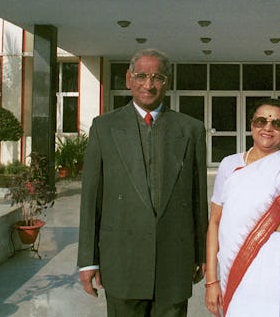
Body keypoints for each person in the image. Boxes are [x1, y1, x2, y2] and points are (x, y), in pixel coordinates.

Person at [77, 48, 208, 317]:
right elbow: (91, 201)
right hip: (122, 262)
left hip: (174, 262)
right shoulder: (104, 128)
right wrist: (88, 261)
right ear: (128, 79)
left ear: (167, 82)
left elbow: (198, 198)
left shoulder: (191, 130)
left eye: (157, 77)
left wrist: (202, 253)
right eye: (141, 76)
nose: (148, 84)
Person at [204, 98, 280, 317]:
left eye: (277, 124)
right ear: (251, 125)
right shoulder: (229, 165)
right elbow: (214, 223)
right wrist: (211, 281)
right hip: (237, 269)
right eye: (261, 121)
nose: (268, 128)